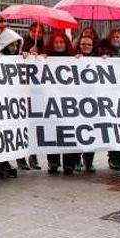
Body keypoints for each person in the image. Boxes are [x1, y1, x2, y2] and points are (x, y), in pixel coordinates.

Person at [43, 31, 78, 175]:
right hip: (50, 102)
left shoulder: (73, 58)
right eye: (56, 42)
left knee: (69, 132)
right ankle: (53, 162)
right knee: (52, 132)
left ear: (66, 44)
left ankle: (69, 163)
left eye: (61, 42)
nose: (58, 45)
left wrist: (79, 60)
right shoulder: (44, 58)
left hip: (69, 102)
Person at [0, 28, 23, 179]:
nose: (14, 49)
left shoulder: (18, 59)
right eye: (11, 46)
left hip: (11, 105)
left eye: (16, 46)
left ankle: (5, 163)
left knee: (7, 136)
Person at [99, 28, 120, 170]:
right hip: (109, 97)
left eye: (119, 37)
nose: (117, 39)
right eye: (114, 37)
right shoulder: (104, 54)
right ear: (110, 39)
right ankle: (112, 158)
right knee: (112, 128)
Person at [74, 34, 98, 172]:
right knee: (76, 131)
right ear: (79, 45)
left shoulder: (98, 59)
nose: (86, 47)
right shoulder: (72, 58)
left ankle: (89, 160)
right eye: (83, 44)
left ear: (92, 46)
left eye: (89, 44)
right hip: (76, 103)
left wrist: (105, 61)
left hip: (93, 103)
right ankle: (77, 160)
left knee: (91, 132)